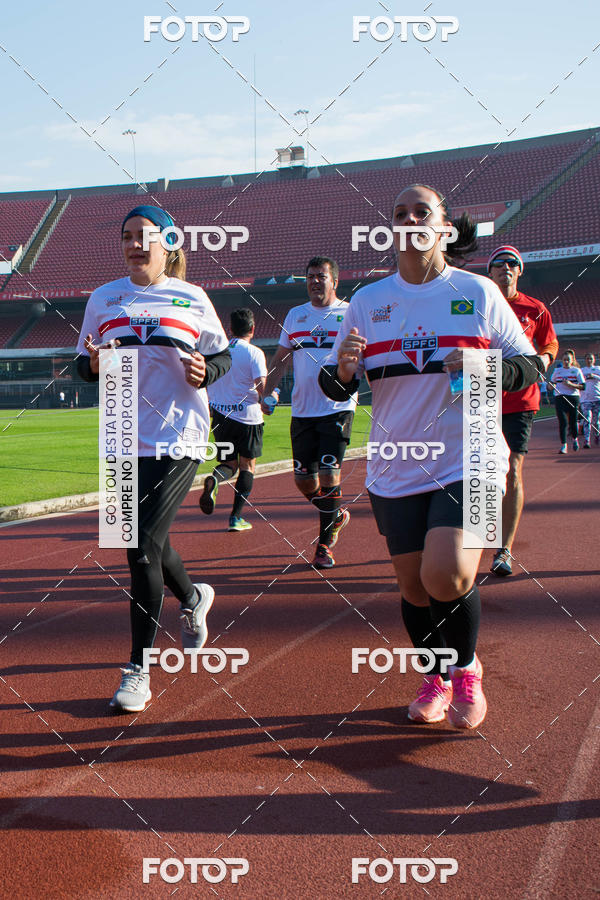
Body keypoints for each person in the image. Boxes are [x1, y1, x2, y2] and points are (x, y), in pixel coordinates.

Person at [319, 184, 546, 730]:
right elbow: (333, 387)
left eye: (423, 212)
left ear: (443, 228)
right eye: (400, 213)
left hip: (470, 457)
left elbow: (533, 366)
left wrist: (481, 367)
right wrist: (344, 373)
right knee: (414, 587)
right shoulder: (368, 303)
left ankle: (466, 669)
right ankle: (436, 676)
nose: (411, 220)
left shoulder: (479, 293)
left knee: (446, 574)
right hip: (396, 464)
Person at [77, 204, 231, 713]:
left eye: (145, 236)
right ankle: (192, 597)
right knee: (143, 541)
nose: (135, 244)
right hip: (122, 431)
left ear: (167, 243)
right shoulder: (102, 299)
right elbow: (84, 364)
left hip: (177, 434)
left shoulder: (190, 297)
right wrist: (94, 364)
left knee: (141, 543)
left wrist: (204, 372)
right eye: (127, 236)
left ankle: (138, 668)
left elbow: (221, 355)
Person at [261, 256, 357, 569]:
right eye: (310, 277)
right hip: (303, 411)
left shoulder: (350, 314)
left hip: (337, 408)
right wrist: (266, 392)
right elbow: (280, 358)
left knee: (330, 475)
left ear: (335, 281)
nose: (315, 281)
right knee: (304, 481)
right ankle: (336, 514)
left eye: (321, 276)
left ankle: (324, 545)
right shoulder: (295, 316)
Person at [485, 245, 558, 577]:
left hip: (520, 401)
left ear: (520, 270)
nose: (505, 268)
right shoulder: (476, 304)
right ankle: (475, 536)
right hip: (480, 399)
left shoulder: (535, 309)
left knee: (513, 469)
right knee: (481, 474)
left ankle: (504, 548)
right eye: (498, 264)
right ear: (490, 273)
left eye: (512, 263)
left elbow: (550, 343)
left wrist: (543, 360)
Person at [200, 308, 267, 531]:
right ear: (253, 328)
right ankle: (235, 518)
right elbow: (262, 387)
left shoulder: (219, 352)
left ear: (230, 329)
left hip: (221, 417)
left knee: (228, 463)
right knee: (248, 466)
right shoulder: (254, 353)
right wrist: (270, 398)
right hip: (248, 418)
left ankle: (215, 480)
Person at [550, 350, 585, 454]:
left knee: (573, 421)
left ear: (572, 360)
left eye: (568, 360)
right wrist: (550, 386)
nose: (566, 362)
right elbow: (552, 383)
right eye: (564, 360)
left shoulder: (577, 371)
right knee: (563, 422)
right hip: (560, 397)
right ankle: (563, 445)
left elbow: (583, 386)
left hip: (573, 397)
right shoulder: (557, 371)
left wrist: (571, 385)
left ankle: (575, 439)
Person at [580, 352, 600, 447]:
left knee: (596, 421)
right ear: (585, 360)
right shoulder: (582, 370)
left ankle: (597, 434)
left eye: (591, 359)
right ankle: (586, 440)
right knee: (587, 419)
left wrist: (594, 376)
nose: (589, 360)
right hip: (585, 399)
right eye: (587, 358)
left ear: (594, 360)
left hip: (597, 398)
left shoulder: (598, 369)